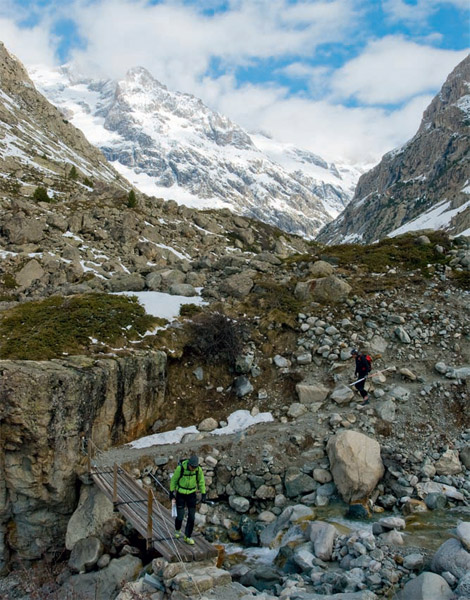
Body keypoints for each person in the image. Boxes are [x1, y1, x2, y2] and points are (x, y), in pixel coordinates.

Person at [169, 454, 206, 545]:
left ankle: (187, 536)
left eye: (195, 467)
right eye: (192, 467)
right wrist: (171, 492)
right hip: (181, 494)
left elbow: (201, 482)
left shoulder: (198, 470)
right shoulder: (181, 468)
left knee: (192, 517)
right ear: (189, 464)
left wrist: (203, 493)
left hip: (191, 494)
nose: (193, 469)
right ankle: (177, 530)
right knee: (180, 516)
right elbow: (174, 480)